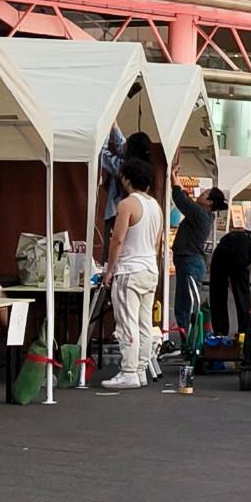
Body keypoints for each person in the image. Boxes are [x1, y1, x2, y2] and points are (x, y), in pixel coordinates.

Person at [99, 158, 162, 389]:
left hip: (129, 270)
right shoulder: (156, 206)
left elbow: (117, 239)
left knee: (126, 322)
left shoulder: (127, 205)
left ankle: (128, 371)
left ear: (125, 178)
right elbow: (157, 243)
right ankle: (140, 369)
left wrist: (109, 269)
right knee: (144, 323)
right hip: (149, 269)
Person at [170, 179, 221, 343]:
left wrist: (174, 180)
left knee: (185, 304)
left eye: (205, 193)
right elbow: (186, 200)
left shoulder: (200, 214)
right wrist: (175, 179)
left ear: (209, 202)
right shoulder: (204, 215)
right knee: (186, 302)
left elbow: (182, 201)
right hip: (191, 261)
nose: (202, 193)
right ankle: (190, 341)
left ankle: (190, 343)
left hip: (189, 261)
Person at [207, 211, 251, 341]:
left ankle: (220, 333)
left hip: (219, 255)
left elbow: (223, 259)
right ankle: (244, 332)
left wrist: (220, 279)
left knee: (217, 295)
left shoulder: (237, 235)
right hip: (238, 259)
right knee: (242, 296)